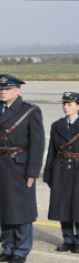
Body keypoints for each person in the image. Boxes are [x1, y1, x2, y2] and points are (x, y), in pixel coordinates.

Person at [0, 74, 45, 263]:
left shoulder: (30, 111)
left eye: (7, 89)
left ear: (18, 91)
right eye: (1, 89)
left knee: (21, 210)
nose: (3, 91)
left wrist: (33, 172)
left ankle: (21, 249)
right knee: (3, 208)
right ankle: (8, 247)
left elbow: (37, 143)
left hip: (19, 165)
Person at [43, 91, 79, 253]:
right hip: (61, 168)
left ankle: (78, 241)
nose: (66, 107)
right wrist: (48, 172)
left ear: (78, 106)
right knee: (63, 206)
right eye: (64, 104)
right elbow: (52, 151)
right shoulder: (57, 125)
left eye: (70, 104)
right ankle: (68, 239)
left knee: (77, 206)